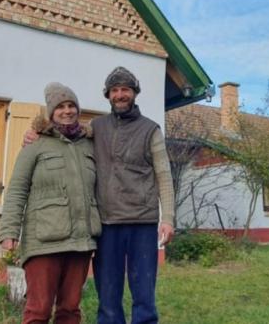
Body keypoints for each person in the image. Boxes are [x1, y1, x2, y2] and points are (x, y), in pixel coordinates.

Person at [24, 67, 175, 324]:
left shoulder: (151, 130)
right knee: (108, 296)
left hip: (142, 222)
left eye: (125, 89)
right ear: (108, 95)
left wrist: (168, 218)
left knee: (144, 295)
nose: (120, 94)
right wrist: (36, 135)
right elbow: (63, 135)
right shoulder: (95, 127)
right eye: (114, 90)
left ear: (134, 92)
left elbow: (164, 175)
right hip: (106, 224)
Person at [0, 82, 101, 324]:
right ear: (51, 112)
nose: (67, 111)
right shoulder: (35, 144)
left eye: (71, 106)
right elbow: (17, 190)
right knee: (38, 311)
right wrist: (8, 231)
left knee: (70, 310)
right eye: (60, 107)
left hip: (80, 241)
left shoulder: (90, 144)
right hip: (43, 241)